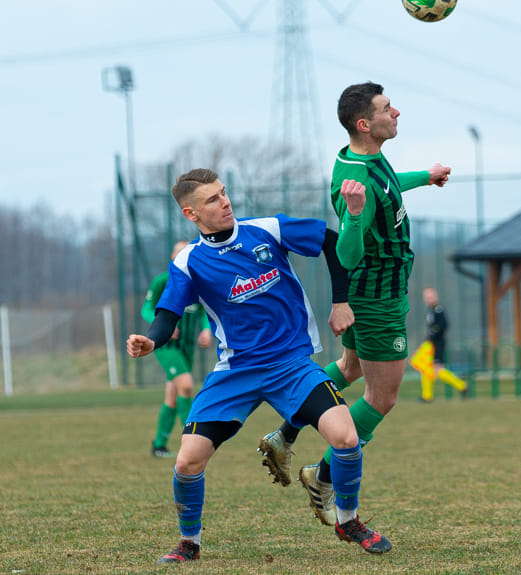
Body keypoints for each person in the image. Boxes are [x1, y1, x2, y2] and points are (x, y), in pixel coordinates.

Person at [127, 168, 391, 564]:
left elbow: (330, 241)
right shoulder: (188, 262)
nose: (225, 202)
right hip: (236, 372)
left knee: (347, 438)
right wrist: (151, 340)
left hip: (290, 365)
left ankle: (348, 520)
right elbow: (168, 315)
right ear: (190, 213)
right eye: (212, 200)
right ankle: (189, 543)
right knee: (187, 461)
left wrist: (341, 301)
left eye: (224, 193)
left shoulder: (267, 229)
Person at [258, 81, 451, 526]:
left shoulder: (364, 161)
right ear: (365, 123)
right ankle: (322, 474)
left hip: (374, 291)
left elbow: (386, 187)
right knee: (382, 398)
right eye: (387, 108)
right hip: (378, 297)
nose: (396, 112)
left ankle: (284, 435)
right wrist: (355, 214)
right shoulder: (356, 180)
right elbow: (346, 253)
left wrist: (425, 176)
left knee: (350, 368)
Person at [144, 240, 213, 458]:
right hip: (167, 347)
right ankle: (191, 442)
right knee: (186, 386)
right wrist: (160, 324)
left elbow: (203, 312)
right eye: (180, 252)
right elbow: (147, 308)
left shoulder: (196, 283)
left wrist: (205, 330)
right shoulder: (162, 281)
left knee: (172, 397)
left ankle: (158, 445)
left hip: (187, 348)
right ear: (173, 258)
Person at [409, 287, 468, 402]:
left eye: (430, 296)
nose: (428, 299)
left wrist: (433, 334)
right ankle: (427, 396)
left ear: (436, 296)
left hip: (438, 343)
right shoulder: (430, 310)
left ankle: (462, 385)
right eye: (426, 297)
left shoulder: (438, 310)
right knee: (425, 367)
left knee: (437, 369)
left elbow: (443, 325)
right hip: (431, 343)